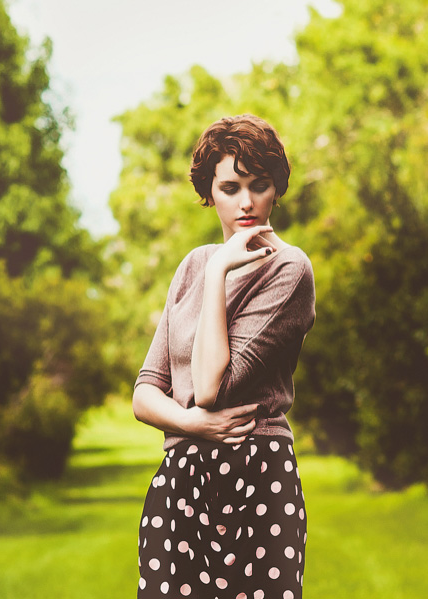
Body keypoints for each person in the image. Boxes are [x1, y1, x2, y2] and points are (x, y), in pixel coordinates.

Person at [132, 114, 315, 599]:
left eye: (259, 185)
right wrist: (192, 425)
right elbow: (146, 392)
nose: (247, 202)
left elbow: (212, 386)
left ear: (276, 189)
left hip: (258, 475)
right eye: (231, 187)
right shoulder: (193, 264)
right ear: (209, 192)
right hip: (182, 478)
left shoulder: (290, 269)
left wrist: (219, 275)